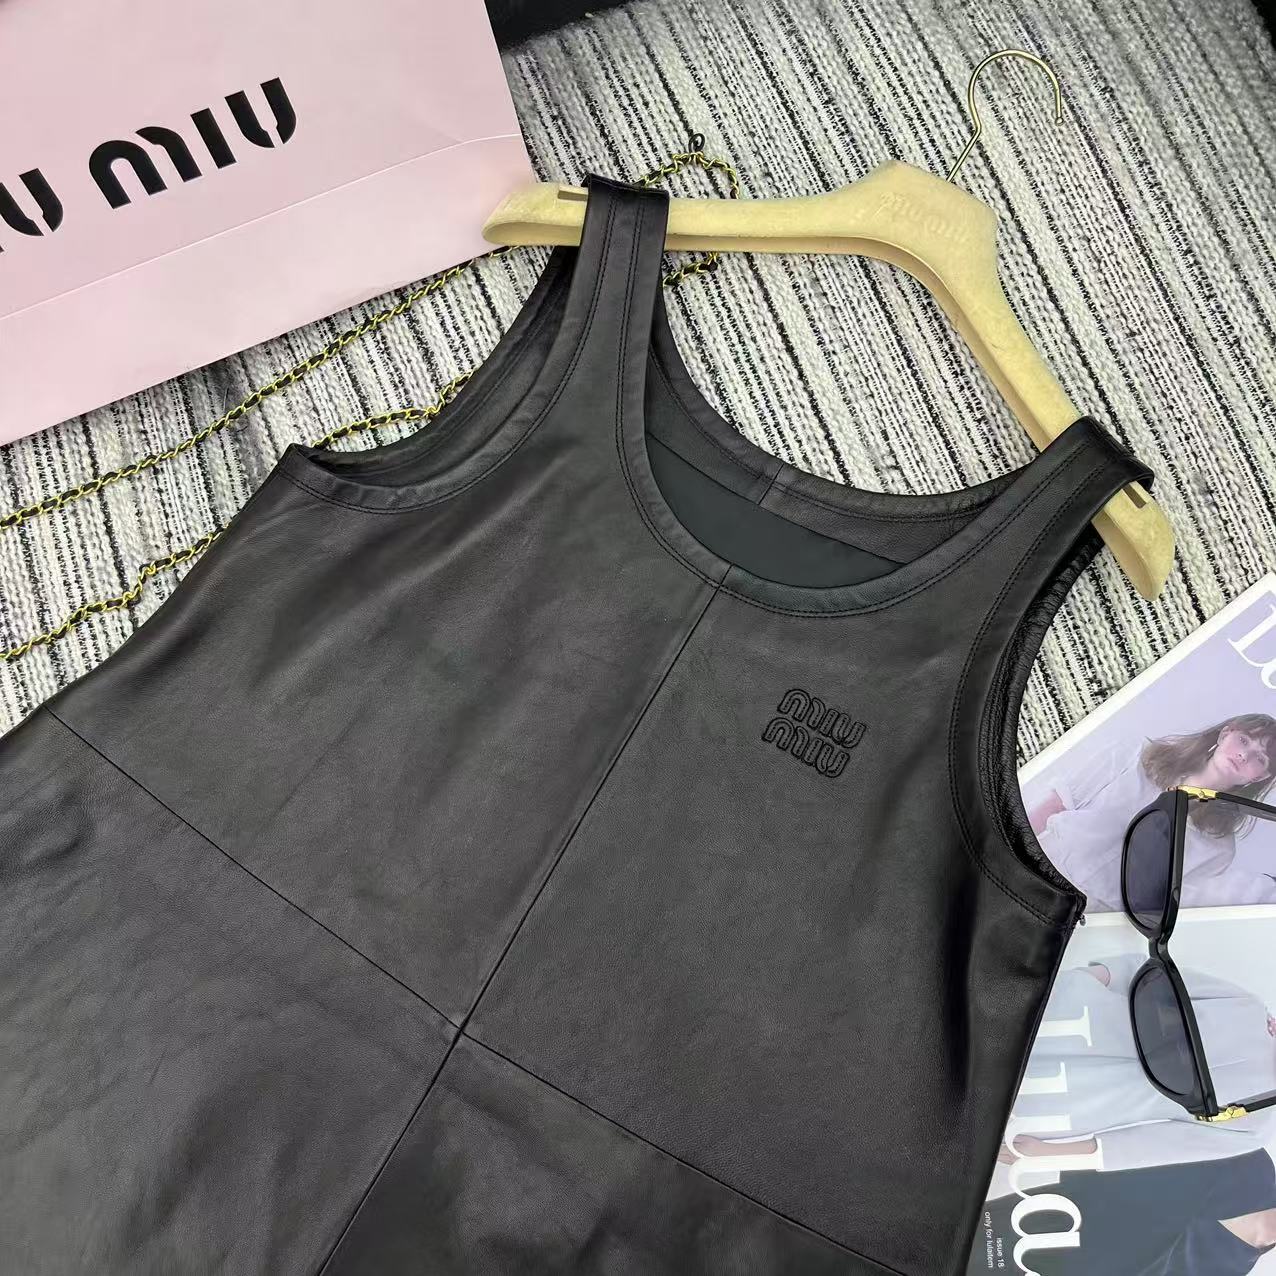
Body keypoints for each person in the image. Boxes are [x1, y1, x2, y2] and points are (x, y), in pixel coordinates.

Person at [998, 955, 1276, 1177]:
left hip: (1067, 1097)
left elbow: (1156, 1144)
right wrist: (1088, 977)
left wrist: (1047, 1154)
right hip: (1065, 1015)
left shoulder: (1261, 1122)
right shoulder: (1250, 1008)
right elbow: (1150, 974)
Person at [1026, 714, 1276, 911]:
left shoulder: (1218, 848)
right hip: (1041, 864)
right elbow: (1057, 803)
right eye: (1244, 740)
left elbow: (1159, 905)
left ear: (1260, 777)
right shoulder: (1136, 755)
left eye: (1260, 758)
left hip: (1084, 913)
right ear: (1225, 734)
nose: (1244, 754)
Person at [975, 1150, 1276, 1275]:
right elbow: (1142, 1138)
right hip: (1058, 1213)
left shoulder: (1234, 1268)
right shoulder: (1249, 1162)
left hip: (1054, 1269)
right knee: (957, 1235)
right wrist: (1050, 1152)